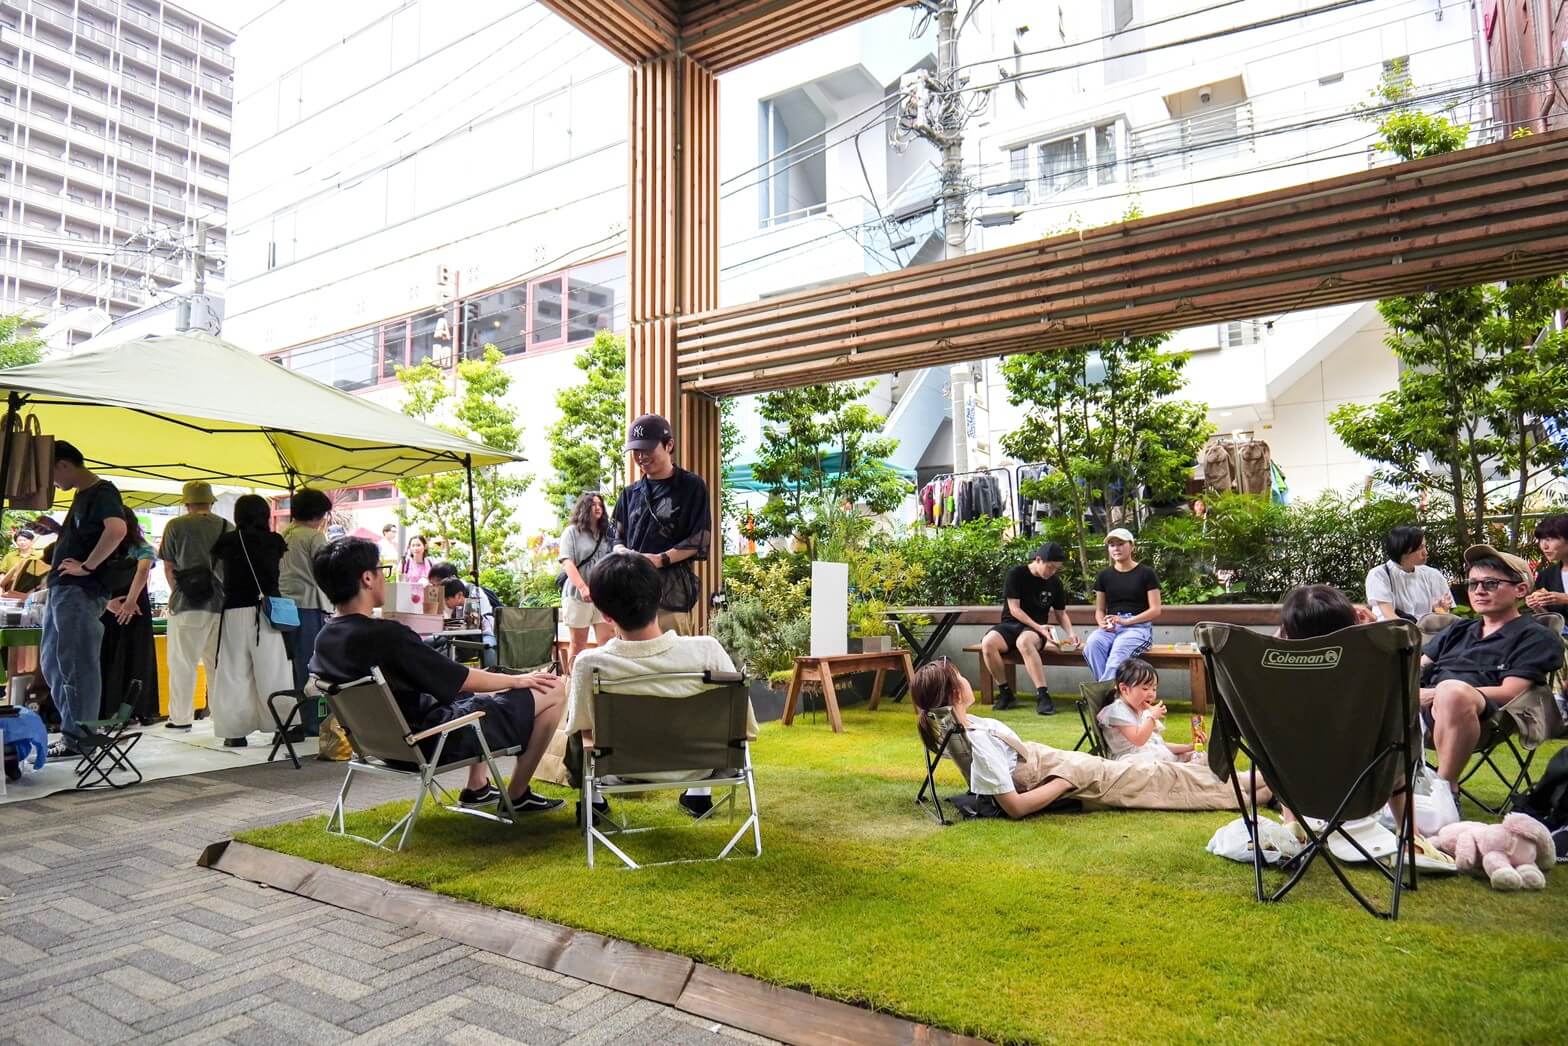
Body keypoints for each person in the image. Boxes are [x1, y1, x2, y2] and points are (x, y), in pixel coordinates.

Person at [309, 537, 565, 812]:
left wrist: (499, 682)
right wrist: (518, 680)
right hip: (434, 740)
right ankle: (517, 794)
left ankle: (477, 788)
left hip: (383, 746)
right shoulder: (387, 635)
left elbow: (453, 680)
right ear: (368, 578)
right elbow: (462, 678)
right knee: (553, 689)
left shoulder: (325, 637)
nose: (385, 577)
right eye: (382, 569)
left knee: (480, 688)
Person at [910, 659, 1267, 818]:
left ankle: (1258, 784)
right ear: (955, 694)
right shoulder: (979, 744)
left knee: (1160, 774)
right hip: (1068, 775)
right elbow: (1014, 807)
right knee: (1160, 778)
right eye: (960, 677)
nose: (967, 680)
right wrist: (1065, 781)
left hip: (1065, 765)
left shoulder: (967, 724)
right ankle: (1260, 787)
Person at [564, 552, 757, 821]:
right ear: (660, 598)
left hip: (622, 769)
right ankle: (699, 795)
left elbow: (582, 726)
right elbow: (743, 723)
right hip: (701, 765)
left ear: (605, 615)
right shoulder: (707, 650)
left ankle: (593, 802)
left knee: (576, 724)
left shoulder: (590, 663)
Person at [1421, 545, 1564, 799]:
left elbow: (1510, 691)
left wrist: (1437, 694)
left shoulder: (1534, 636)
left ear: (1520, 589)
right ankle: (1378, 799)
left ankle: (1445, 791)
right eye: (1473, 584)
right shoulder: (1457, 630)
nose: (1479, 591)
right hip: (1418, 712)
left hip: (1486, 716)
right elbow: (1417, 668)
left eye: (1490, 583)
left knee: (1452, 692)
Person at [41, 441, 126, 754]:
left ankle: (79, 739)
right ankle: (74, 733)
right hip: (66, 590)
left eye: (51, 473)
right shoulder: (84, 495)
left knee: (75, 665)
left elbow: (116, 529)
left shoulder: (102, 492)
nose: (52, 482)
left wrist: (87, 566)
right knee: (55, 664)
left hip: (79, 591)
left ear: (63, 464)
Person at [610, 413, 709, 636]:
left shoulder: (691, 486)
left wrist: (659, 559)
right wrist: (624, 552)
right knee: (629, 655)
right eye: (636, 451)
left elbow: (699, 538)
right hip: (630, 595)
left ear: (669, 445)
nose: (641, 456)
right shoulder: (629, 493)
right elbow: (615, 536)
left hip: (671, 595)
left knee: (674, 653)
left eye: (647, 449)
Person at [210, 494, 293, 747]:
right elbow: (279, 573)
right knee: (274, 670)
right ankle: (283, 726)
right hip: (269, 611)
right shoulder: (275, 541)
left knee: (234, 671)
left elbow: (218, 574)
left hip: (234, 610)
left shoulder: (227, 541)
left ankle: (235, 732)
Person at [158, 481, 229, 731]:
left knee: (182, 663)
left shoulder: (176, 525)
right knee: (217, 665)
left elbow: (168, 566)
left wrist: (178, 591)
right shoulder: (226, 526)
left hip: (186, 603)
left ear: (187, 503)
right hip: (219, 602)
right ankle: (222, 718)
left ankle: (181, 718)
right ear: (211, 502)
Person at [981, 542, 1079, 715]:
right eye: (1050, 567)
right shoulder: (1016, 574)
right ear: (1038, 560)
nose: (1052, 572)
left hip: (1034, 632)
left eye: (1056, 569)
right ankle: (1005, 692)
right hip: (1012, 624)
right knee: (988, 643)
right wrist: (1039, 627)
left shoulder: (1055, 583)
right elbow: (1014, 609)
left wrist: (1071, 633)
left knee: (1024, 642)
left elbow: (1061, 614)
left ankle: (1043, 695)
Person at [279, 488, 334, 734]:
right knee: (311, 666)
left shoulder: (282, 535)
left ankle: (294, 718)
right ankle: (313, 721)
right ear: (318, 514)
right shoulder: (314, 537)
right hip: (309, 606)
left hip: (283, 608)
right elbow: (326, 571)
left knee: (291, 666)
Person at [99, 509, 160, 724]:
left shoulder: (102, 547)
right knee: (137, 657)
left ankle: (108, 709)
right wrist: (131, 602)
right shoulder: (143, 547)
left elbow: (94, 578)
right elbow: (142, 572)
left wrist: (108, 603)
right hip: (135, 610)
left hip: (108, 608)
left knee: (107, 657)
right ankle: (138, 709)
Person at [1083, 528, 1161, 682]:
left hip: (1137, 627)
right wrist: (1102, 623)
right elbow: (1100, 610)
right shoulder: (1104, 576)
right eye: (1112, 545)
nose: (1116, 548)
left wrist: (1127, 621)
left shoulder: (1147, 573)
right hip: (1111, 627)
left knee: (1119, 651)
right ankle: (1111, 692)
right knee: (1092, 644)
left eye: (1120, 544)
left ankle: (1106, 694)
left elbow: (1155, 609)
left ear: (1132, 546)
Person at [1096, 659, 1200, 764]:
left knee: (1199, 756)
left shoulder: (1142, 711)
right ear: (1124, 689)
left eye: (1154, 689)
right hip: (1134, 762)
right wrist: (1152, 717)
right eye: (1145, 688)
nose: (1151, 694)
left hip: (1155, 757)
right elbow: (1138, 740)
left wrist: (1189, 747)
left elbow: (1158, 745)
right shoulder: (1117, 711)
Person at [559, 491, 614, 667]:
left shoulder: (607, 533)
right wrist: (583, 588)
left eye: (600, 504)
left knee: (607, 641)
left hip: (603, 596)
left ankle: (604, 679)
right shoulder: (572, 532)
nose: (598, 508)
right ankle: (573, 681)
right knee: (578, 644)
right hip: (577, 595)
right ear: (584, 507)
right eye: (593, 504)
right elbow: (567, 562)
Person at [1364, 524, 1454, 623]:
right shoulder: (1379, 575)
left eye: (1425, 546)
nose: (1426, 552)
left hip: (1426, 631)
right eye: (1420, 548)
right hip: (1393, 631)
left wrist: (1441, 610)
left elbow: (1442, 617)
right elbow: (1390, 618)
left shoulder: (1433, 575)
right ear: (1404, 550)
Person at [429, 562, 498, 667]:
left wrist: (445, 624)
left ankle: (492, 671)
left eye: (446, 599)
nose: (445, 603)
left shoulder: (472, 601)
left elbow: (471, 624)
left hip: (482, 635)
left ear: (459, 596)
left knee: (488, 648)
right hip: (462, 637)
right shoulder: (455, 606)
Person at [1526, 514, 1568, 622]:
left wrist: (1565, 599)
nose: (1544, 546)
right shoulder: (1547, 575)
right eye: (1540, 540)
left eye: (1550, 539)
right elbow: (1550, 620)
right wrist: (1537, 606)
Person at [0, 529, 48, 598]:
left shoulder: (40, 556)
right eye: (19, 540)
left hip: (32, 588)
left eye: (25, 540)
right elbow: (2, 573)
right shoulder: (9, 556)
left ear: (32, 541)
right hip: (10, 587)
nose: (22, 542)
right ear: (16, 542)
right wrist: (2, 587)